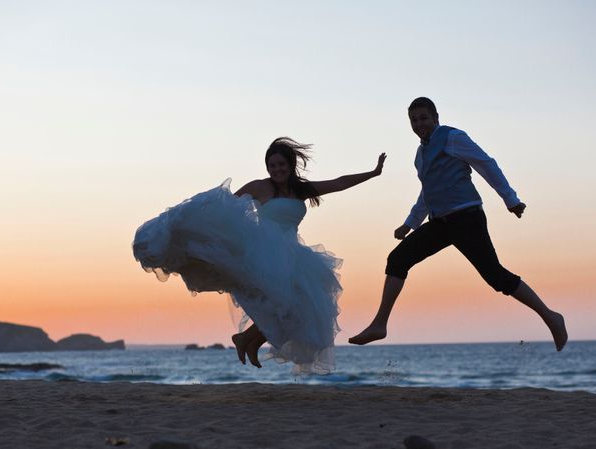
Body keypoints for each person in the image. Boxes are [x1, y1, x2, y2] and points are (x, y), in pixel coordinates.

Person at [133, 137, 386, 373]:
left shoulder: (301, 190)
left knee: (298, 310)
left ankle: (246, 339)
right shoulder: (260, 187)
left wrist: (373, 173)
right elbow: (223, 206)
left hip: (291, 254)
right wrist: (193, 224)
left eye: (281, 164)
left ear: (290, 165)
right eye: (272, 165)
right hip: (263, 251)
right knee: (282, 305)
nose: (277, 169)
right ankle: (247, 340)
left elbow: (338, 183)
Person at [349, 97, 568, 351]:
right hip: (440, 223)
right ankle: (380, 324)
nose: (419, 124)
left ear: (435, 117)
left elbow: (486, 163)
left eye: (423, 118)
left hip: (466, 218)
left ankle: (551, 317)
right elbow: (427, 192)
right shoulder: (420, 155)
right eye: (413, 120)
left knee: (495, 276)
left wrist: (510, 199)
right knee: (397, 259)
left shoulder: (452, 137)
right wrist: (409, 223)